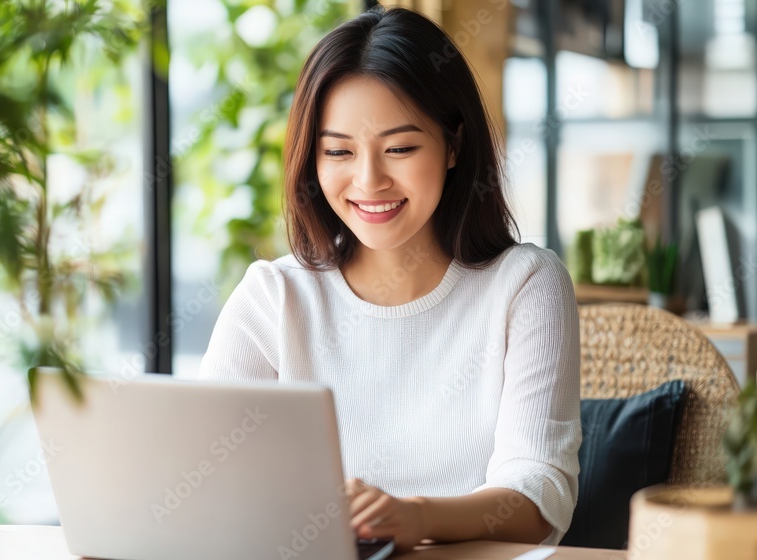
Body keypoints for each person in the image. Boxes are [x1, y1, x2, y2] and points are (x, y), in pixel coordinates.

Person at [197, 5, 580, 552]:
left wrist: (418, 517)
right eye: (338, 152)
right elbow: (201, 473)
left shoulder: (525, 286)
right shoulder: (274, 297)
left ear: (453, 145)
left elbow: (541, 495)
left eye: (400, 148)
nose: (369, 180)